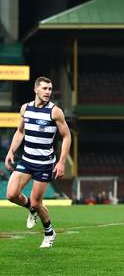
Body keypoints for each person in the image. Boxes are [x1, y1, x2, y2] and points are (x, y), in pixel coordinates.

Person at [4, 76, 71, 248]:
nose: (48, 92)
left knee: (36, 202)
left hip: (44, 164)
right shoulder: (25, 108)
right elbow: (20, 132)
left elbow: (67, 136)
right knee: (11, 195)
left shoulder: (54, 111)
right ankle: (31, 209)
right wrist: (11, 151)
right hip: (26, 160)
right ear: (36, 89)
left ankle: (49, 232)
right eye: (44, 88)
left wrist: (62, 162)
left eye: (50, 89)